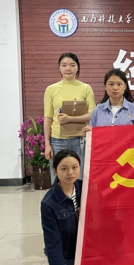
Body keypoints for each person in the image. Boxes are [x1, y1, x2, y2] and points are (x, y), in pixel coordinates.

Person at [44, 53, 95, 183]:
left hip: (80, 140)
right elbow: (48, 118)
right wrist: (47, 144)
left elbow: (92, 114)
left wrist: (69, 119)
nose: (68, 68)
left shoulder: (86, 88)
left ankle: (76, 197)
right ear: (59, 68)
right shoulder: (51, 89)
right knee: (58, 178)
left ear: (77, 68)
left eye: (72, 65)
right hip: (57, 140)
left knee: (78, 178)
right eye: (64, 65)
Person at [41, 149, 82, 265]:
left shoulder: (84, 189)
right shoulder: (49, 203)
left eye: (74, 167)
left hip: (86, 253)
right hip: (66, 256)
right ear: (55, 171)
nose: (70, 172)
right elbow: (53, 245)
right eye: (64, 168)